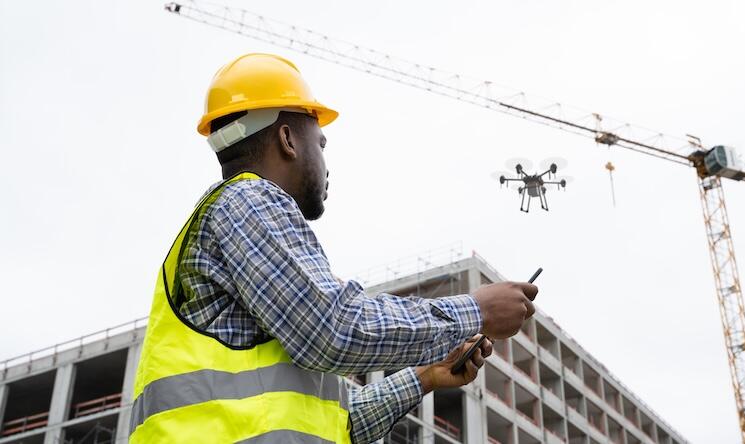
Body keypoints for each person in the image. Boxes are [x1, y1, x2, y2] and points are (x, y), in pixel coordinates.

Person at [129, 53, 538, 443]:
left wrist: (425, 375)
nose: (326, 162)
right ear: (288, 139)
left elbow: (335, 425)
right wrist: (476, 310)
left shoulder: (240, 226)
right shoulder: (248, 203)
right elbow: (334, 330)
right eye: (321, 144)